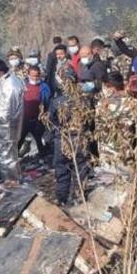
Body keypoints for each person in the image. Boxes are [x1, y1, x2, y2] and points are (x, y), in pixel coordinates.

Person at [51, 68, 91, 206]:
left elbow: (52, 122)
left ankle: (62, 198)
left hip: (62, 139)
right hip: (80, 138)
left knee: (62, 169)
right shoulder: (85, 100)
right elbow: (90, 121)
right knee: (81, 168)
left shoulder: (57, 102)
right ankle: (80, 196)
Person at [20, 64, 51, 160]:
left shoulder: (44, 87)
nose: (35, 77)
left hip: (37, 119)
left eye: (37, 75)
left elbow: (47, 102)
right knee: (19, 139)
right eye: (32, 75)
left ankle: (44, 158)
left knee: (39, 140)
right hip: (24, 119)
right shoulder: (22, 85)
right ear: (28, 75)